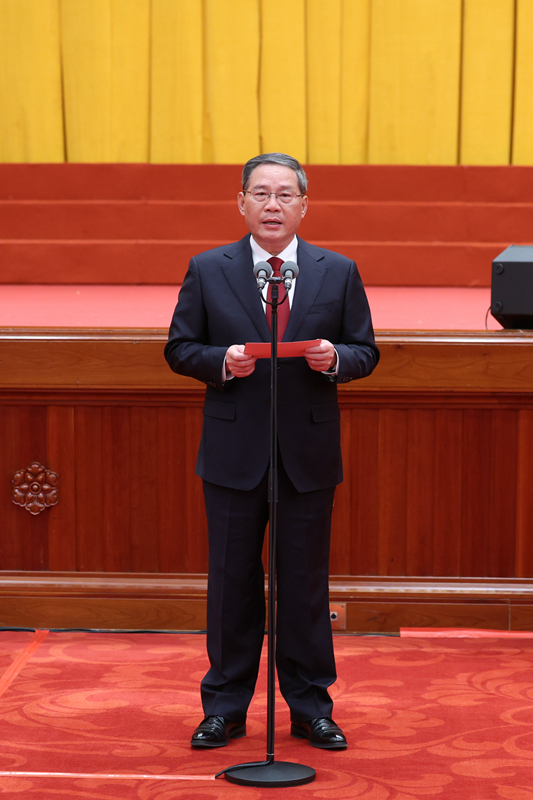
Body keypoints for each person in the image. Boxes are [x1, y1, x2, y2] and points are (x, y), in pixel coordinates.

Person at [164, 153, 379, 751]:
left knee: (304, 586)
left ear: (304, 205)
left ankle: (311, 708)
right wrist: (220, 361)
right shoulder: (209, 268)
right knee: (231, 583)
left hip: (306, 455)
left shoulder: (338, 270)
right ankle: (225, 708)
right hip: (233, 453)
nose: (273, 205)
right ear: (241, 203)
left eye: (285, 194)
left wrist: (335, 360)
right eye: (261, 194)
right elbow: (179, 347)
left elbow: (366, 351)